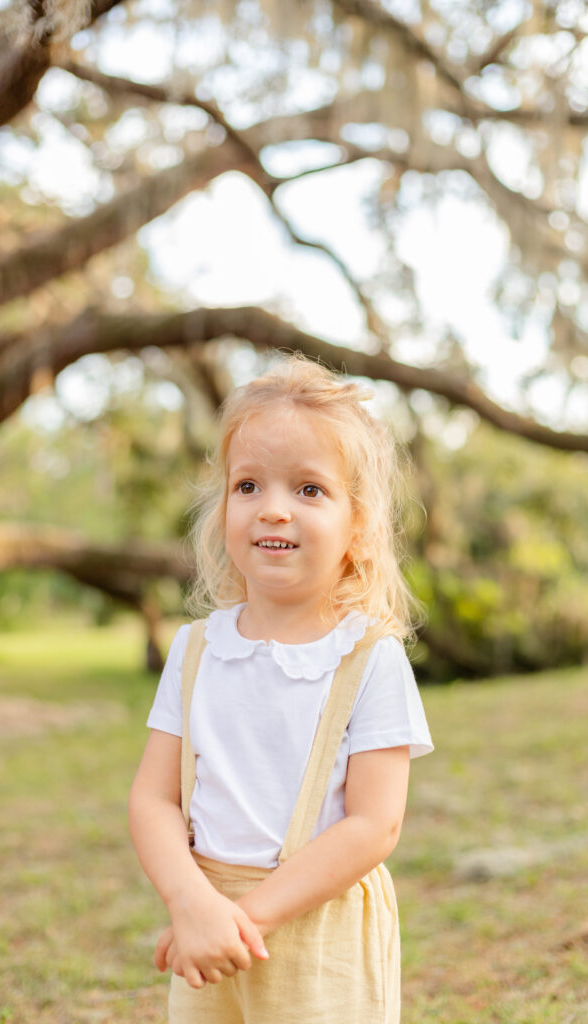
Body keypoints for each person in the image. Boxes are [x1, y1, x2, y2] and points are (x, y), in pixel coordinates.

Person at [129, 353, 434, 1023]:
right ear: (222, 507)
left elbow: (372, 825)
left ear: (357, 526)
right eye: (248, 487)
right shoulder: (196, 651)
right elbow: (154, 798)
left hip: (316, 928)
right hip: (206, 913)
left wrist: (243, 920)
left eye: (307, 490)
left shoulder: (368, 659)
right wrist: (191, 905)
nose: (272, 510)